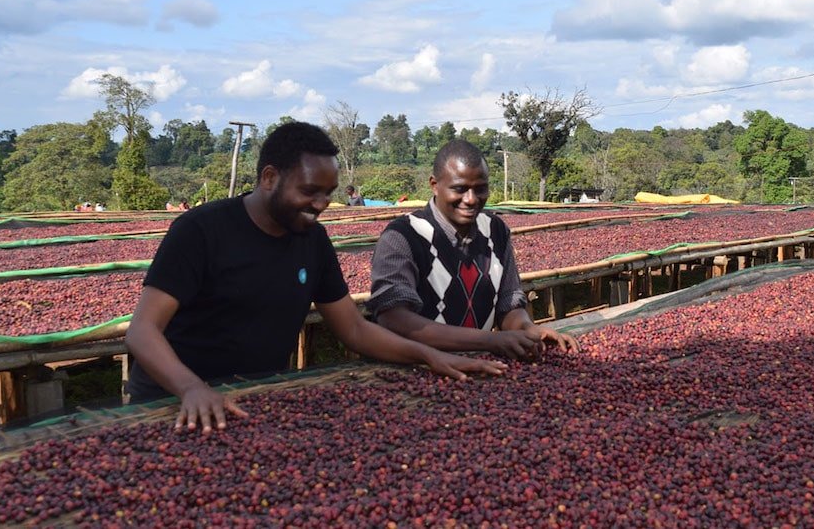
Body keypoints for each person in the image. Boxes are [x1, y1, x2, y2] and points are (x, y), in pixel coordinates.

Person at [125, 122, 505, 433]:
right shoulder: (200, 231)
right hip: (172, 404)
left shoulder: (312, 240)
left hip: (255, 400)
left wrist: (429, 356)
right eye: (310, 191)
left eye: (328, 193)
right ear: (270, 177)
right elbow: (142, 331)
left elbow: (354, 330)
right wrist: (191, 388)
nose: (322, 204)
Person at [367, 139, 580, 361]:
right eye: (459, 189)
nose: (471, 200)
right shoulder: (403, 236)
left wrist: (527, 328)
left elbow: (508, 303)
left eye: (480, 189)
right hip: (415, 367)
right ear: (434, 185)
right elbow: (394, 317)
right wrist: (489, 340)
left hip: (478, 369)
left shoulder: (495, 231)